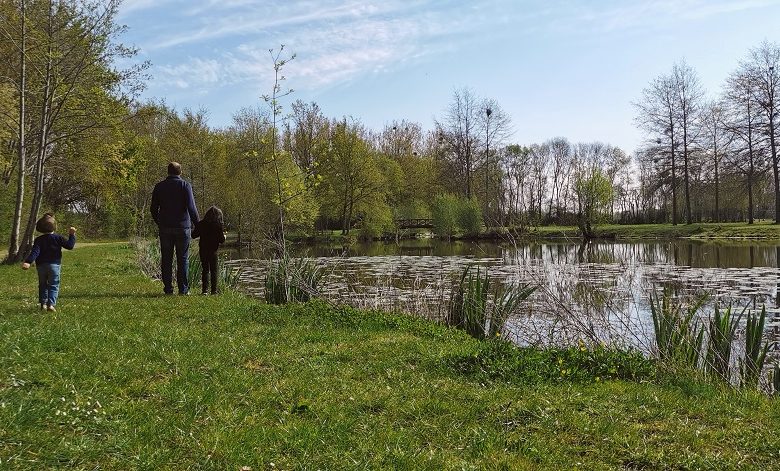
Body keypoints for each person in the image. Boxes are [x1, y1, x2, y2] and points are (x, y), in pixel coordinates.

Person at [151, 162, 199, 295]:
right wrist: (198, 225)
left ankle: (168, 288)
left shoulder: (159, 186)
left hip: (165, 227)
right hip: (183, 227)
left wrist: (159, 222)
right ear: (180, 172)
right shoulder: (185, 186)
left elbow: (153, 209)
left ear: (168, 172)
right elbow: (191, 208)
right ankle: (183, 290)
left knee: (166, 258)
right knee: (183, 258)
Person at [21, 213, 77, 312]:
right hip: (54, 265)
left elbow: (35, 252)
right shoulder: (58, 238)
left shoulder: (38, 240)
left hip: (41, 266)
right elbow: (69, 246)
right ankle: (51, 304)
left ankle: (43, 304)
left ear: (40, 227)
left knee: (43, 285)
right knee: (54, 284)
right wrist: (72, 235)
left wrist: (28, 262)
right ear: (54, 226)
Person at [192, 206, 227, 295]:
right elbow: (222, 240)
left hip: (203, 250)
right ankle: (214, 291)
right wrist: (225, 236)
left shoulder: (201, 224)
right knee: (214, 270)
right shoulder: (218, 226)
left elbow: (193, 235)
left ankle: (204, 290)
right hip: (213, 251)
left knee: (205, 270)